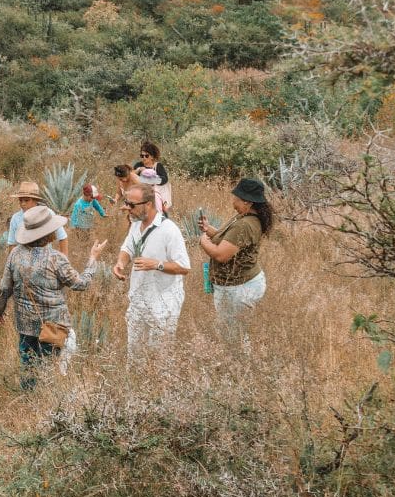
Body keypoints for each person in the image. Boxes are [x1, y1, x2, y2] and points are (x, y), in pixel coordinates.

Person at [0, 205, 107, 389]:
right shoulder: (56, 258)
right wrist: (92, 260)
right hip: (54, 326)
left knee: (28, 366)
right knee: (51, 368)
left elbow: (4, 288)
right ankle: (47, 404)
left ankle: (28, 400)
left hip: (25, 324)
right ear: (48, 233)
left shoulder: (15, 254)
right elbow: (80, 284)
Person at [112, 184, 191, 352]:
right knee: (135, 356)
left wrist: (157, 264)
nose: (128, 208)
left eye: (132, 205)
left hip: (163, 305)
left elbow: (184, 267)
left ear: (148, 204)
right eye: (127, 203)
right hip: (138, 301)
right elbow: (127, 248)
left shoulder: (169, 230)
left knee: (161, 359)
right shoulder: (135, 225)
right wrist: (120, 263)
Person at [198, 178, 274, 343]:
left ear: (247, 201)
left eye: (236, 197)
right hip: (239, 286)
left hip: (238, 290)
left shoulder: (245, 225)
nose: (233, 200)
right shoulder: (245, 217)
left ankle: (237, 366)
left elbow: (221, 255)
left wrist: (203, 241)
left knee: (233, 338)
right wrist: (209, 230)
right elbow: (230, 241)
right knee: (235, 333)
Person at [6, 181, 68, 256]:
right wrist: (13, 263)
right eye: (20, 200)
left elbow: (62, 237)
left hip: (46, 260)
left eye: (26, 200)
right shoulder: (16, 218)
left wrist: (64, 259)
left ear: (35, 200)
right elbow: (12, 243)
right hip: (24, 261)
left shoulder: (47, 214)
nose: (23, 203)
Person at [133, 142, 172, 211]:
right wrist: (139, 170)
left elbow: (165, 179)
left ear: (152, 156)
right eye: (142, 156)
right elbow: (132, 177)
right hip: (141, 198)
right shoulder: (138, 165)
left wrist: (151, 179)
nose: (144, 158)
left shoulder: (158, 166)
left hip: (156, 198)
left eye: (146, 156)